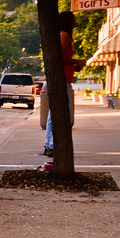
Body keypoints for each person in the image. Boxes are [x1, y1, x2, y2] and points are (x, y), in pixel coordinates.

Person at [43, 11, 85, 157]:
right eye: (73, 19)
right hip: (62, 80)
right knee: (62, 113)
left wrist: (74, 66)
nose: (75, 22)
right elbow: (59, 58)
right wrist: (76, 61)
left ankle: (50, 144)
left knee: (53, 113)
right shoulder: (65, 35)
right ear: (67, 21)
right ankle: (53, 145)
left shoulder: (61, 34)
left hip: (62, 78)